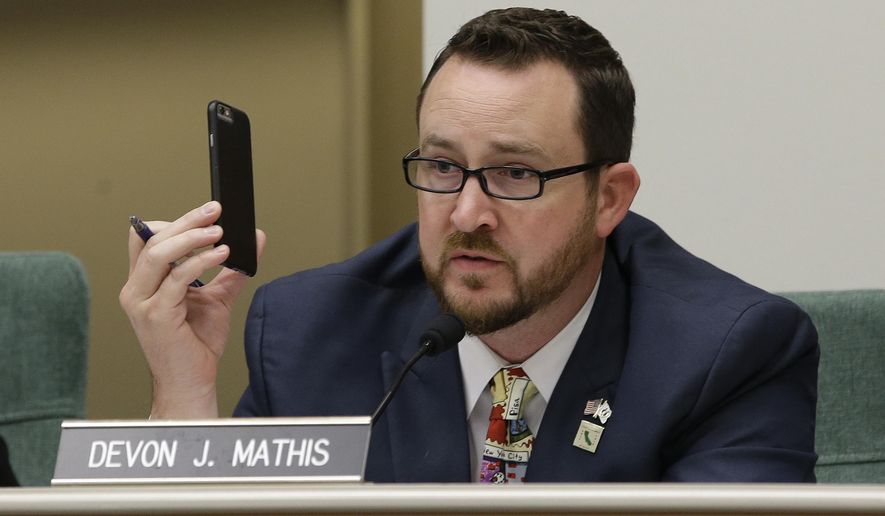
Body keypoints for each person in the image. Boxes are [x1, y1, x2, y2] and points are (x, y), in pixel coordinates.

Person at [120, 8, 818, 482]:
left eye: (515, 173)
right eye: (443, 166)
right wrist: (183, 393)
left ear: (608, 198)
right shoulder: (310, 332)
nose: (467, 212)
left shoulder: (725, 354)